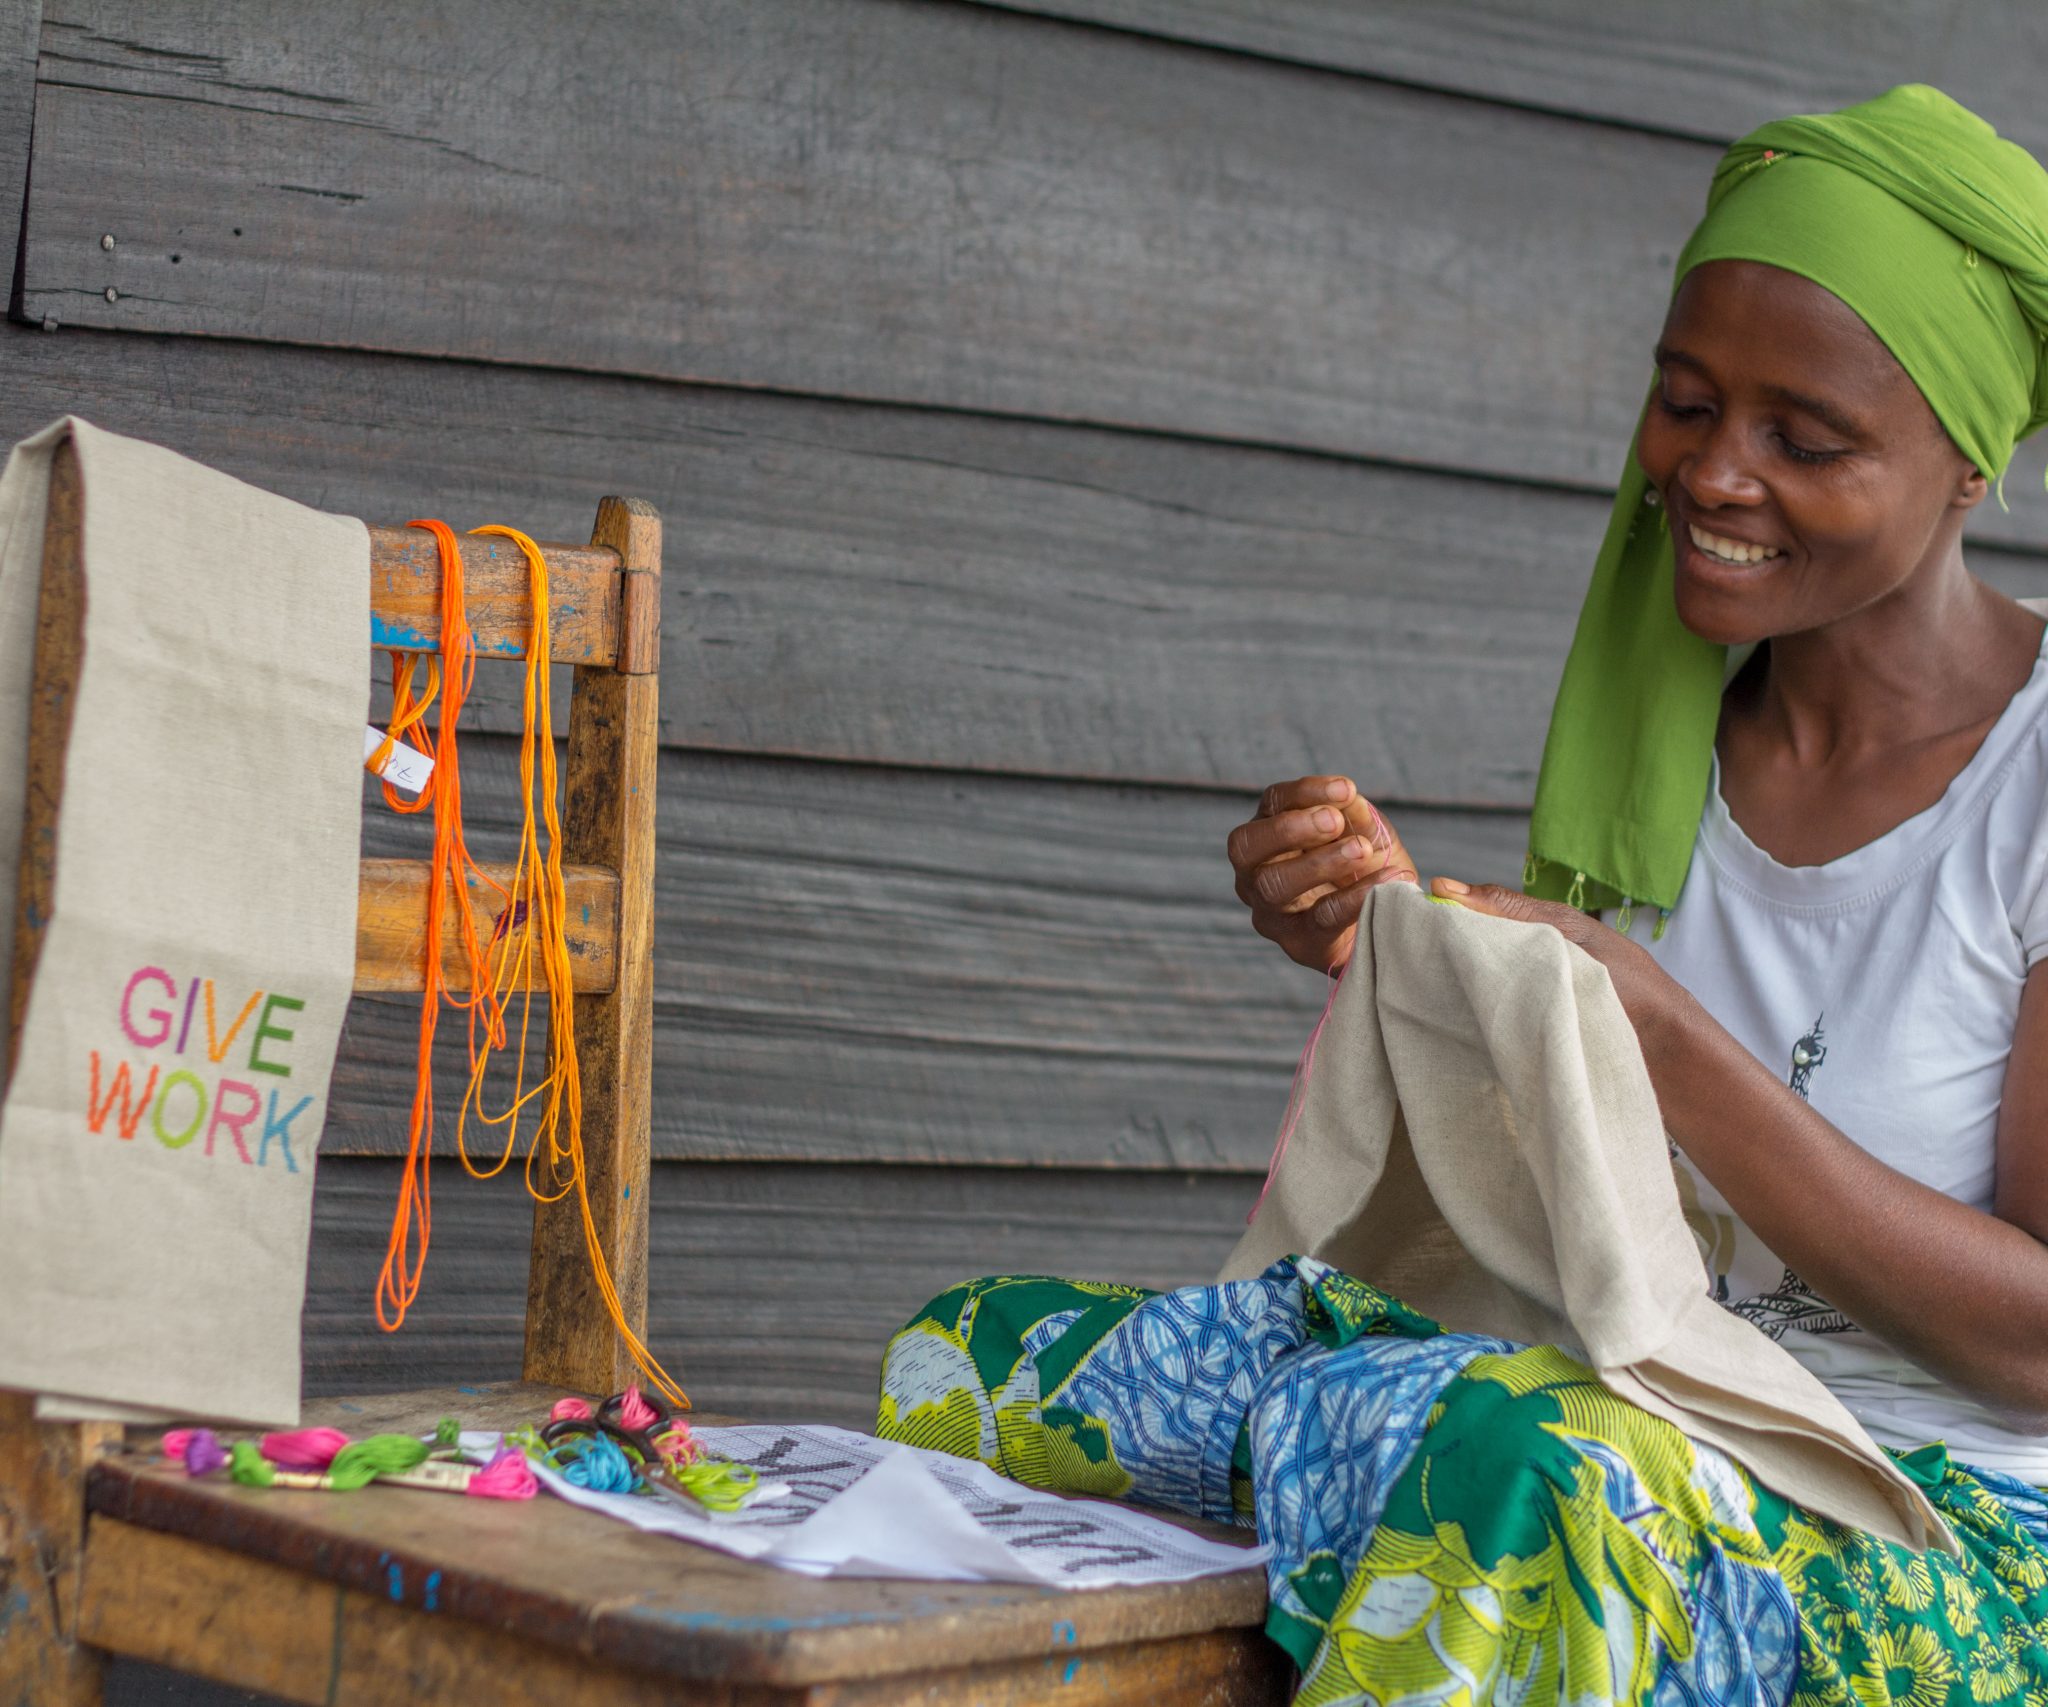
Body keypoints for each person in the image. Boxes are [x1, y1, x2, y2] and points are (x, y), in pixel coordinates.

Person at [881, 87, 2048, 1707]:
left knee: (1508, 1464)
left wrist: (1651, 1031)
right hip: (1637, 1391)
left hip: (1949, 1525)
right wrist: (1404, 953)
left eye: (1806, 437)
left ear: (1970, 460)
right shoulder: (1668, 722)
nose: (1712, 475)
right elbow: (1589, 1180)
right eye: (1685, 402)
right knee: (986, 1357)